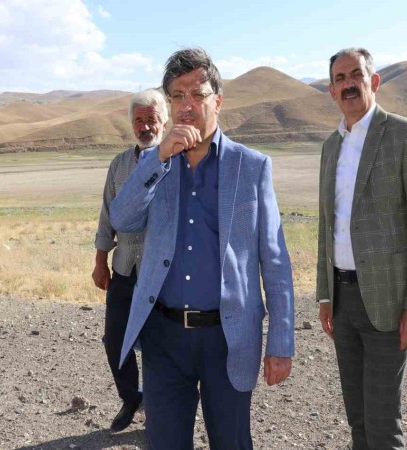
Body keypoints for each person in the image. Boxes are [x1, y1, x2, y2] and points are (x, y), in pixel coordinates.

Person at [110, 48, 295, 450]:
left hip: (228, 337)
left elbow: (275, 260)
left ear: (218, 101)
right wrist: (159, 156)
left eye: (198, 94)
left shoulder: (251, 167)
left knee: (231, 442)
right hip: (163, 338)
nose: (187, 105)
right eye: (177, 96)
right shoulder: (156, 164)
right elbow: (122, 218)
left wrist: (281, 342)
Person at [316, 47, 407, 449]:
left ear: (373, 81)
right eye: (339, 78)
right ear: (332, 91)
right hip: (342, 302)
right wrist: (324, 295)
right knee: (357, 419)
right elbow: (326, 227)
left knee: (383, 424)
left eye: (355, 74)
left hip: (390, 305)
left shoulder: (405, 134)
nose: (348, 84)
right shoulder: (331, 147)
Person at [92, 88, 168, 433]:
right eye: (139, 120)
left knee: (157, 344)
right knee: (114, 340)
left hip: (161, 271)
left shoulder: (177, 162)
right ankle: (131, 398)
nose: (145, 126)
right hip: (124, 266)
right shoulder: (119, 164)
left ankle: (158, 409)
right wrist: (100, 261)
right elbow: (107, 214)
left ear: (164, 121)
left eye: (152, 119)